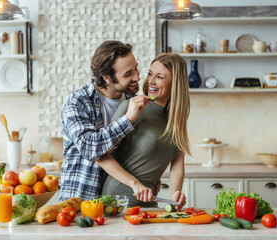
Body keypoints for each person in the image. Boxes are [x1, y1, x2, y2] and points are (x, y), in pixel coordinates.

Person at [60, 40, 151, 201]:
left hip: (118, 201)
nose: (137, 76)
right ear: (107, 78)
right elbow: (90, 149)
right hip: (80, 201)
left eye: (136, 68)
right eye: (128, 73)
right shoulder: (77, 101)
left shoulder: (134, 100)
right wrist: (127, 119)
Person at [100, 53, 190, 209]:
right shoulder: (132, 107)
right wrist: (135, 184)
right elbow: (102, 156)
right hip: (117, 203)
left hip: (149, 204)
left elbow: (177, 164)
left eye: (160, 77)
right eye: (150, 74)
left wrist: (176, 193)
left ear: (175, 83)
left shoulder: (176, 119)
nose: (151, 81)